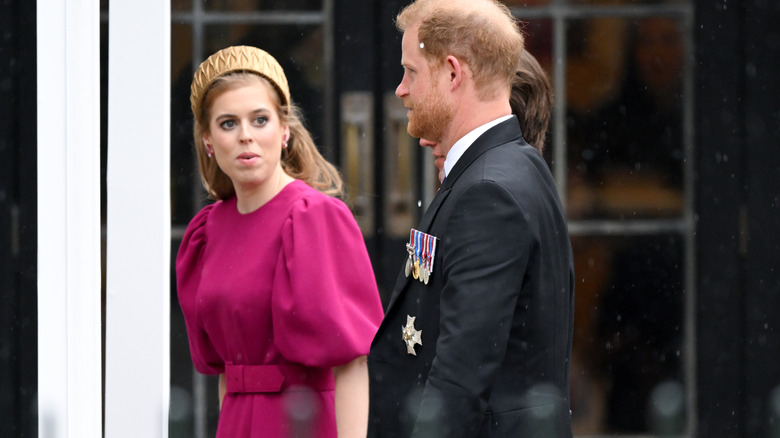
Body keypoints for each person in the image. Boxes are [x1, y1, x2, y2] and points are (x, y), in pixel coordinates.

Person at [367, 1, 575, 437]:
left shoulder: (487, 192)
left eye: (411, 71)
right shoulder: (510, 167)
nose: (401, 89)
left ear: (452, 73)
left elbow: (460, 377)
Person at [176, 45, 384, 438]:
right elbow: (227, 371)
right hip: (235, 424)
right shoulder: (206, 232)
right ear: (207, 140)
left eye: (259, 120)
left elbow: (352, 362)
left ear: (284, 130)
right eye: (228, 124)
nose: (246, 137)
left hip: (304, 420)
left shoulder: (315, 218)